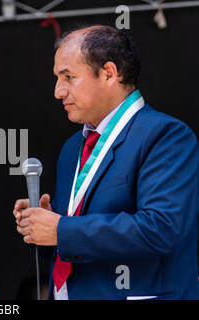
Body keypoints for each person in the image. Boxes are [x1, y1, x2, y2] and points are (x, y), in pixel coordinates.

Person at [13, 25, 198, 299]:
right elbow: (77, 245)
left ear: (109, 74)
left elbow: (161, 229)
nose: (57, 91)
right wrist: (43, 226)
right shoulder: (72, 147)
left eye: (68, 77)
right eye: (57, 78)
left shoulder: (166, 136)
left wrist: (61, 229)